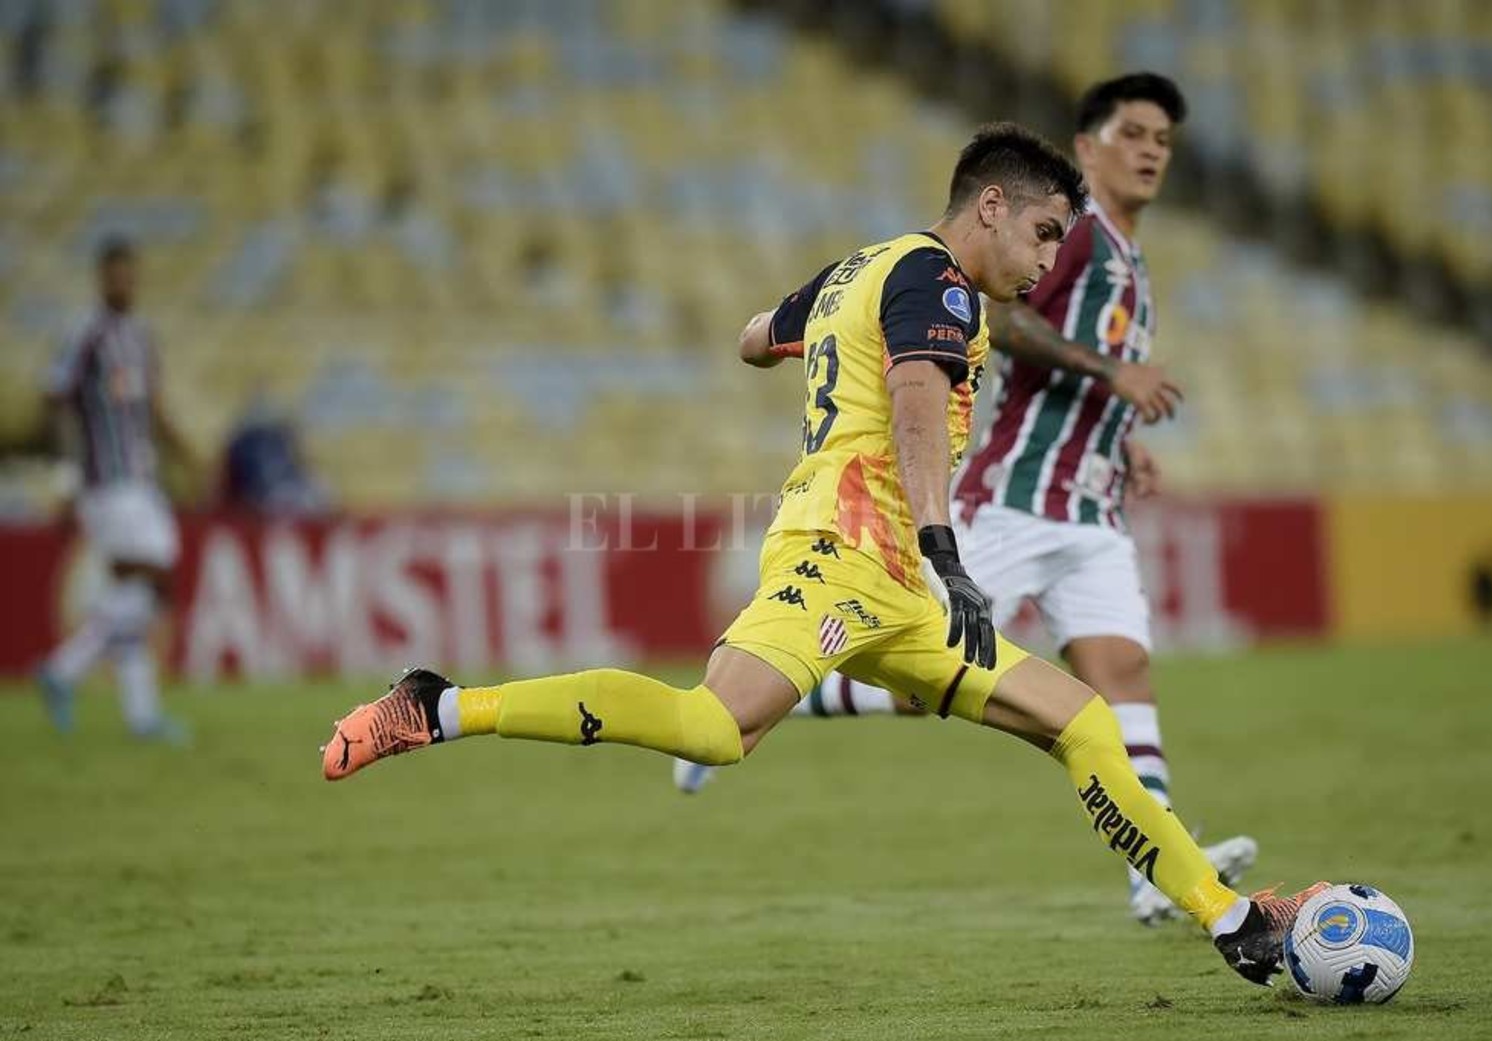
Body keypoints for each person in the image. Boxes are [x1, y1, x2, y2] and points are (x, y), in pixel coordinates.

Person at [319, 122, 1324, 987]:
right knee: (713, 729)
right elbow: (917, 404)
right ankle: (437, 706)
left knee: (1082, 722)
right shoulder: (937, 285)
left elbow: (752, 337)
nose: (1048, 259)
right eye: (1043, 232)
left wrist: (818, 341)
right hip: (845, 553)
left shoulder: (866, 269)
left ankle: (1231, 919)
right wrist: (946, 549)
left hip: (898, 588)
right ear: (989, 206)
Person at [673, 73, 1255, 927]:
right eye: (1130, 134)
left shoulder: (1118, 254)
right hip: (1009, 497)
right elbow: (1003, 323)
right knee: (926, 672)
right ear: (1086, 149)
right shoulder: (1065, 238)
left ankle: (1152, 871)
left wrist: (1109, 437)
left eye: (1162, 140)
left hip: (1084, 503)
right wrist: (1109, 373)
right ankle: (756, 700)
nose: (1149, 153)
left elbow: (764, 338)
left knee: (1117, 673)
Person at [36, 238, 198, 741]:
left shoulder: (141, 337)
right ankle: (65, 670)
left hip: (142, 481)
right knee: (155, 573)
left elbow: (153, 408)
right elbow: (54, 399)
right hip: (106, 483)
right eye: (115, 275)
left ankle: (137, 713)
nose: (123, 283)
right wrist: (65, 476)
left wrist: (186, 454)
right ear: (101, 278)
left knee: (137, 593)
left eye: (129, 275)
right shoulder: (86, 334)